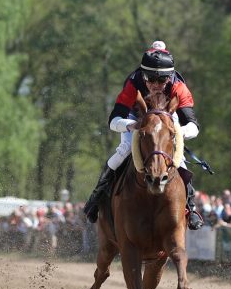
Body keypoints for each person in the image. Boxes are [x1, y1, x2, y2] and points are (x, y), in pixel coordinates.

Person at [82, 41, 204, 230]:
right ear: (142, 75)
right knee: (123, 152)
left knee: (179, 161)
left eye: (161, 80)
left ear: (170, 77)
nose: (155, 85)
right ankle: (96, 197)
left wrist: (177, 132)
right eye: (150, 79)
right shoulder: (133, 83)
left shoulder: (179, 87)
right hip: (136, 119)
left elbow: (193, 126)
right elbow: (114, 121)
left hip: (167, 119)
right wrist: (132, 126)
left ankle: (191, 206)